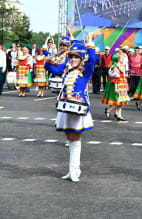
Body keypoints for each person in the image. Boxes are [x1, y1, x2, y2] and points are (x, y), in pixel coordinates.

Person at [44, 37, 96, 183]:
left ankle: (74, 170)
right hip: (65, 106)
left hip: (78, 107)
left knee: (76, 137)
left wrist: (90, 44)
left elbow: (92, 60)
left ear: (81, 59)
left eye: (75, 57)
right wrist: (51, 53)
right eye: (71, 56)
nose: (72, 59)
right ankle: (72, 169)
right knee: (69, 136)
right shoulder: (66, 69)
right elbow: (49, 68)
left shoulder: (85, 71)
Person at [102, 53, 130, 121]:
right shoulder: (115, 67)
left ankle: (118, 114)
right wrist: (116, 88)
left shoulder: (121, 66)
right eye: (121, 58)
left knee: (121, 101)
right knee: (118, 100)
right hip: (117, 85)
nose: (122, 59)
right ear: (117, 59)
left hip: (122, 85)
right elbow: (115, 79)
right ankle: (109, 110)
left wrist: (126, 85)